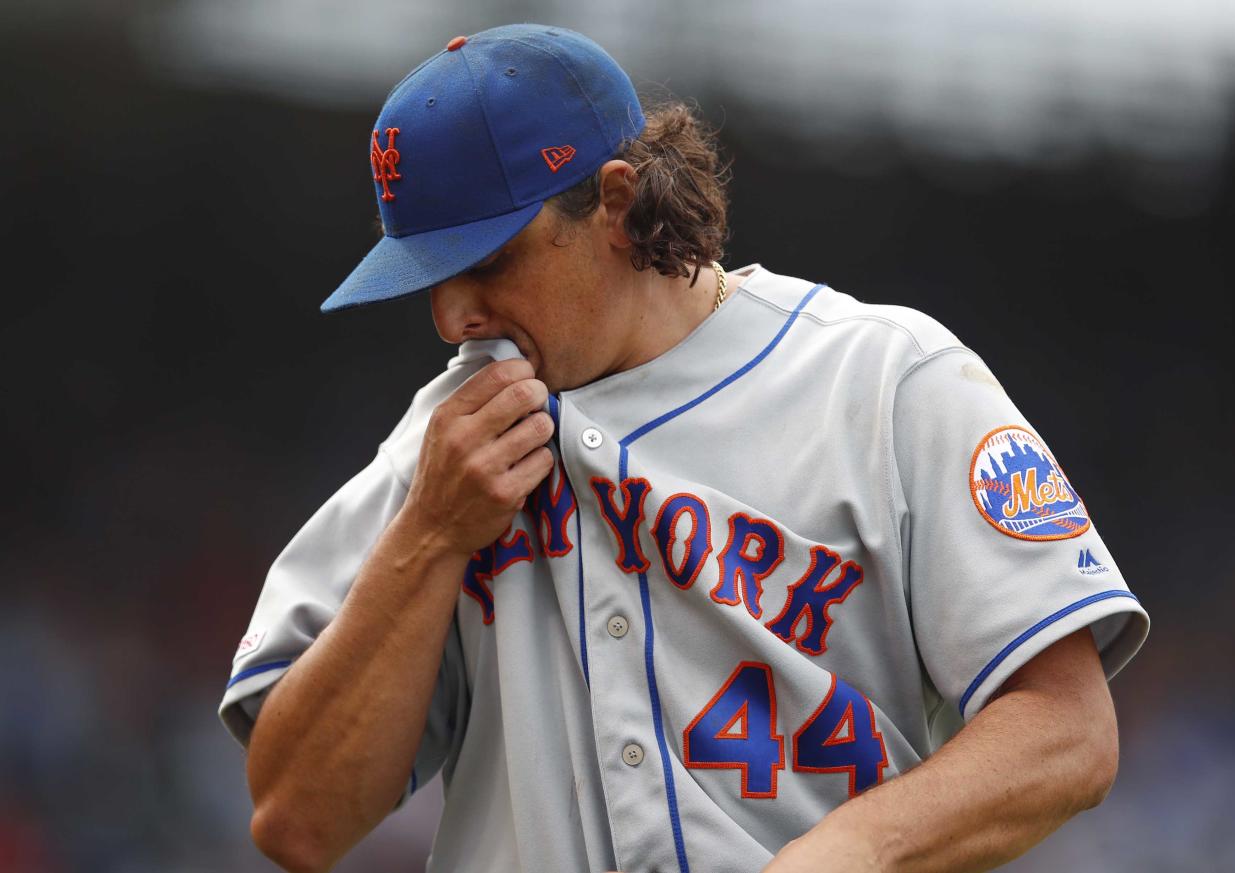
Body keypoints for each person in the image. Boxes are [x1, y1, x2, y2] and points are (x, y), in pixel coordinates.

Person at [219, 23, 1149, 873]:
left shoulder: (882, 380)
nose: (452, 315)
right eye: (427, 277)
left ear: (615, 203)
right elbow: (298, 820)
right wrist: (428, 535)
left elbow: (1068, 730)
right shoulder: (446, 446)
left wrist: (854, 848)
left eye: (487, 260)